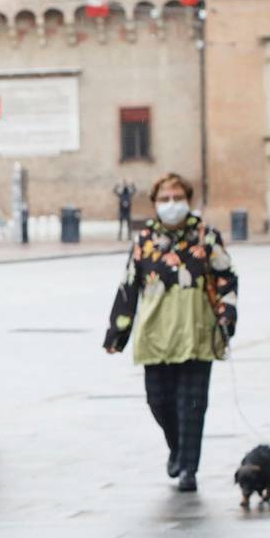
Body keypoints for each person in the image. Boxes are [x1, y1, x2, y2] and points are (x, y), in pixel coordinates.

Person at [104, 172, 238, 493]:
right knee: (159, 400)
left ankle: (188, 469)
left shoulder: (206, 237)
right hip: (156, 335)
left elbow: (226, 277)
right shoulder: (144, 241)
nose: (171, 204)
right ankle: (176, 448)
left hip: (196, 333)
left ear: (188, 200)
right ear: (154, 203)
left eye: (177, 197)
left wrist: (226, 318)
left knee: (192, 404)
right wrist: (116, 334)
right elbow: (129, 286)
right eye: (164, 199)